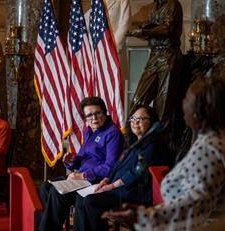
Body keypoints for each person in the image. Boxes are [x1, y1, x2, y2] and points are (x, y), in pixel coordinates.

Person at [103, 77, 225, 231]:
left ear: (202, 108)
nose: (183, 104)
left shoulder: (210, 148)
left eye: (187, 99)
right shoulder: (208, 140)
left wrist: (145, 216)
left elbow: (195, 206)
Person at [73, 105, 173, 231]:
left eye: (141, 119)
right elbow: (116, 166)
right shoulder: (133, 143)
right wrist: (106, 179)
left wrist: (112, 185)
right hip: (120, 189)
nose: (136, 122)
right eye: (134, 118)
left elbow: (137, 171)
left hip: (134, 193)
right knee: (82, 198)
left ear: (152, 122)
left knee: (92, 202)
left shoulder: (153, 145)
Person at [37, 97, 124, 231]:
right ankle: (52, 225)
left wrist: (82, 175)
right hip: (81, 178)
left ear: (105, 113)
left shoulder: (113, 133)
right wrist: (71, 162)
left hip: (96, 180)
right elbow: (81, 159)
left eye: (98, 113)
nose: (94, 118)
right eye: (89, 115)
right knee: (45, 187)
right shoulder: (89, 131)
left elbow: (110, 167)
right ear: (85, 119)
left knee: (56, 192)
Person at [127, 0, 183, 141]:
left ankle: (159, 144)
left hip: (168, 55)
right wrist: (139, 30)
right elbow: (153, 25)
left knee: (163, 105)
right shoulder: (154, 7)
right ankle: (130, 141)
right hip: (155, 55)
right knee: (137, 99)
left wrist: (144, 31)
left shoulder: (173, 4)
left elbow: (166, 29)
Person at [84, 0, 131, 82]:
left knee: (112, 81)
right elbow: (86, 19)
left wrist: (113, 46)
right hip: (96, 48)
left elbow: (124, 25)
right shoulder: (97, 2)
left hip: (112, 47)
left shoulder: (121, 0)